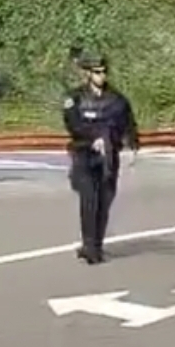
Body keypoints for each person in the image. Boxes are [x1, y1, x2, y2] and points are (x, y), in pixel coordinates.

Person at [63, 53, 140, 265]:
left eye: (104, 72)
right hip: (84, 154)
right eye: (97, 72)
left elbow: (128, 124)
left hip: (109, 156)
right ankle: (90, 247)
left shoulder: (117, 100)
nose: (101, 76)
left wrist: (132, 146)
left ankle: (96, 245)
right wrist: (92, 138)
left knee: (104, 202)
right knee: (89, 200)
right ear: (88, 74)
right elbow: (73, 124)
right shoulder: (75, 98)